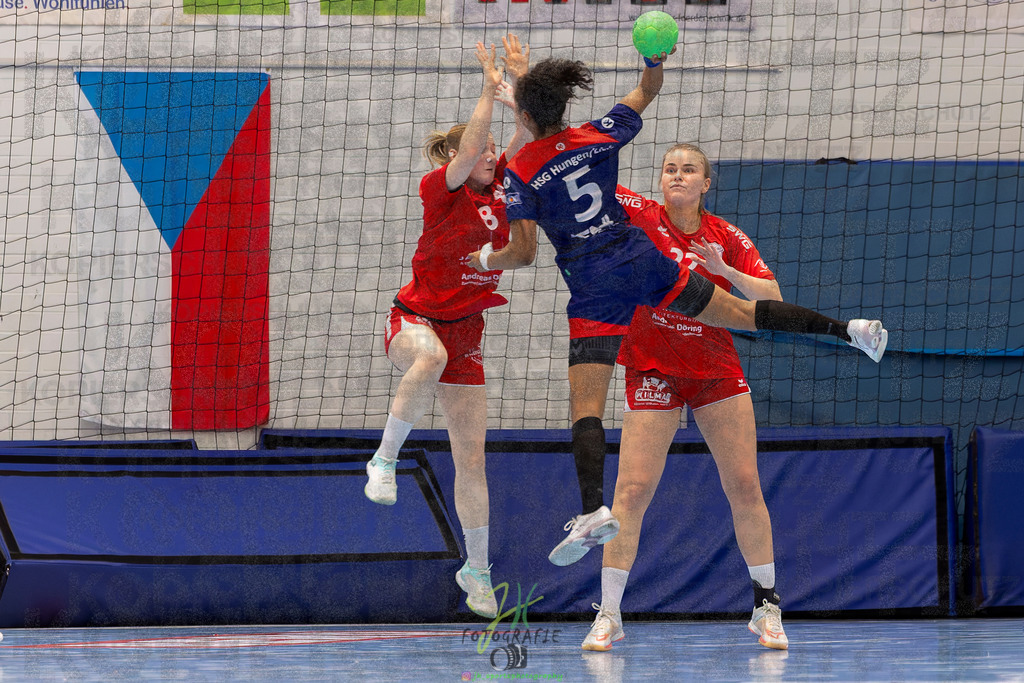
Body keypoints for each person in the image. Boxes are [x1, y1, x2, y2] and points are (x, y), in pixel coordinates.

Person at [468, 54, 887, 568]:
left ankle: (593, 510)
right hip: (641, 262)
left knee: (587, 406)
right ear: (564, 107)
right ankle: (850, 330)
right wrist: (652, 59)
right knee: (743, 312)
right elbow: (648, 89)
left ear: (526, 117)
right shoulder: (598, 135)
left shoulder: (519, 173)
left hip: (595, 288)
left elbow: (525, 252)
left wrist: (485, 256)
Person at [581, 144, 788, 653]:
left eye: (688, 169)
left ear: (705, 183)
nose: (677, 175)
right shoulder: (640, 215)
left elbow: (774, 301)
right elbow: (585, 178)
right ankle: (609, 612)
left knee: (744, 484)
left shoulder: (726, 236)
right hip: (652, 366)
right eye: (670, 168)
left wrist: (727, 270)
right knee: (630, 493)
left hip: (714, 370)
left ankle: (765, 606)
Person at [365, 36, 531, 619]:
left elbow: (528, 140)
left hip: (469, 332)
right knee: (427, 356)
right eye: (479, 148)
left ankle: (478, 570)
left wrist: (521, 86)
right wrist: (488, 91)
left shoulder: (504, 186)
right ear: (457, 156)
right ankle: (384, 460)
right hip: (415, 317)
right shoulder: (443, 189)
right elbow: (471, 149)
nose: (490, 154)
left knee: (472, 461)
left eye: (492, 150)